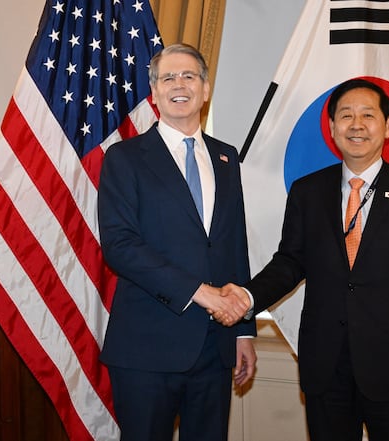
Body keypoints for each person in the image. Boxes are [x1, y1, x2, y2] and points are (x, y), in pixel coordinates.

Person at [217, 78, 389, 441]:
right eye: (346, 115)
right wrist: (246, 297)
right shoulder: (307, 192)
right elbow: (289, 262)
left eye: (368, 115)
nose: (356, 125)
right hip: (325, 366)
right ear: (331, 127)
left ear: (388, 126)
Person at [97, 43, 255, 441]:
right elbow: (120, 246)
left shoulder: (227, 158)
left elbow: (234, 247)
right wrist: (201, 293)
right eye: (168, 78)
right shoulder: (124, 158)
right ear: (154, 92)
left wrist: (243, 331)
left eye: (189, 76)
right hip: (147, 347)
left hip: (216, 348)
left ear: (205, 89)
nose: (179, 84)